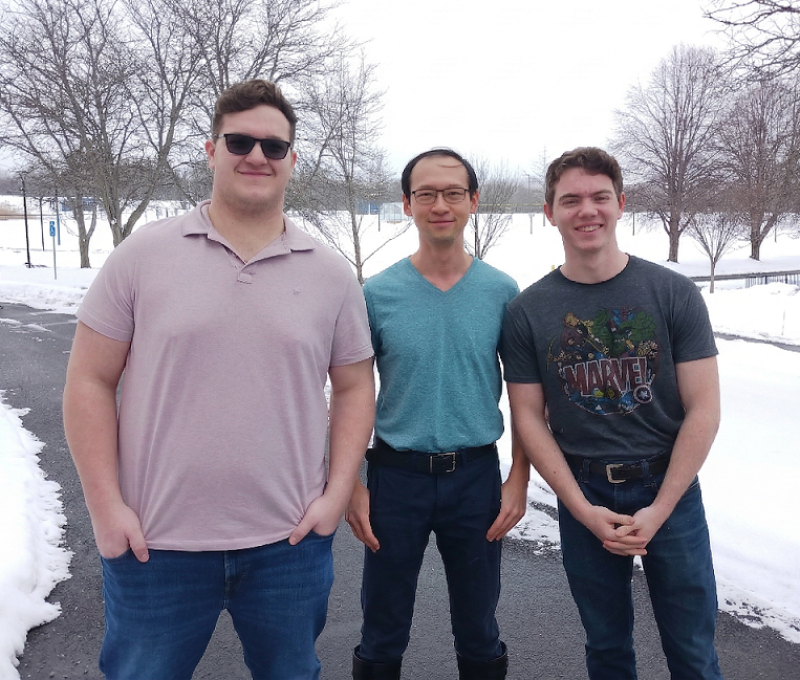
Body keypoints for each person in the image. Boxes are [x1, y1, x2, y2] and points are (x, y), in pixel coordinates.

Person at [62, 79, 375, 680]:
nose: (257, 156)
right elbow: (89, 381)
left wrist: (337, 494)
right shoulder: (141, 256)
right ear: (211, 151)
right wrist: (105, 509)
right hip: (154, 544)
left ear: (291, 160)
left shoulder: (331, 274)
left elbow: (356, 386)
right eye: (239, 142)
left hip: (289, 545)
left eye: (274, 146)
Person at [502, 147, 724, 680]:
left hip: (669, 487)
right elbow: (528, 418)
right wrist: (580, 509)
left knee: (693, 652)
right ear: (549, 212)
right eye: (570, 200)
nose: (587, 210)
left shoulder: (673, 293)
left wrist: (661, 508)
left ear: (621, 204)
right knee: (606, 649)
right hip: (585, 489)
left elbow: (704, 408)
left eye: (600, 197)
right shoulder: (527, 311)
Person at [345, 148, 530, 680]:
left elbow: (525, 398)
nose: (440, 205)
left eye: (452, 193)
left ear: (473, 201)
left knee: (479, 627)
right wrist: (352, 484)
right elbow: (352, 393)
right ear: (407, 204)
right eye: (425, 194)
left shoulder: (502, 293)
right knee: (382, 629)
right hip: (395, 480)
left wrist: (519, 478)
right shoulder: (376, 295)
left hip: (475, 478)